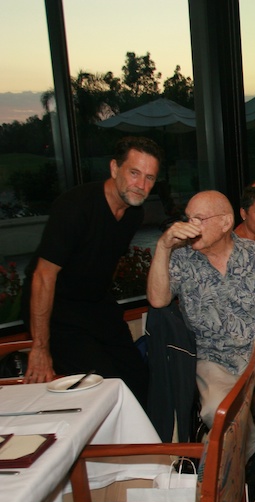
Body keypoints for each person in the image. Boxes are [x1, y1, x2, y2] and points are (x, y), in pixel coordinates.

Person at [147, 190, 255, 501]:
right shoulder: (181, 258)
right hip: (212, 357)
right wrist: (163, 247)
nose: (190, 226)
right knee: (218, 413)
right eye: (188, 219)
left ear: (225, 223)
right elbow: (157, 299)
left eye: (198, 219)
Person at [22, 136, 161, 407]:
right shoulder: (75, 207)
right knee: (104, 388)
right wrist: (40, 348)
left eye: (150, 178)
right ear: (113, 168)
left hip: (94, 303)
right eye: (134, 173)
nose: (141, 185)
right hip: (57, 309)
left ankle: (143, 447)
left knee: (140, 378)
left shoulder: (134, 213)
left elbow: (104, 258)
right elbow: (42, 276)